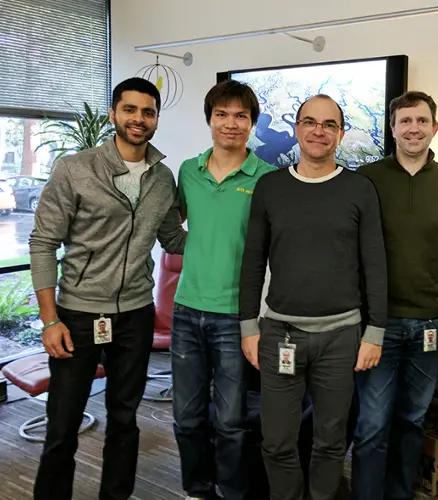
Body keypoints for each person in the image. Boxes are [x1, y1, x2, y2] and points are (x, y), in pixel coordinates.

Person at [28, 77, 187, 500]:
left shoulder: (162, 178)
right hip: (78, 315)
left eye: (148, 112)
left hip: (136, 314)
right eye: (130, 109)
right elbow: (43, 243)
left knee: (124, 420)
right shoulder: (75, 169)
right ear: (113, 113)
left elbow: (173, 239)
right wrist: (50, 320)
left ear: (156, 119)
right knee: (62, 424)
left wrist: (229, 234)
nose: (139, 119)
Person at [238, 94, 388, 500]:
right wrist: (248, 326)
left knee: (330, 443)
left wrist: (375, 332)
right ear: (297, 128)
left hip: (342, 337)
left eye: (328, 124)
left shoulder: (359, 189)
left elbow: (375, 264)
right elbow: (253, 260)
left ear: (340, 133)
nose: (318, 131)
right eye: (309, 122)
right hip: (279, 334)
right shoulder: (271, 187)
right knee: (276, 442)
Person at [351, 90, 438, 500]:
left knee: (412, 421)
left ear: (434, 127)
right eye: (405, 121)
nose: (414, 128)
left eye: (421, 121)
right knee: (372, 424)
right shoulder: (367, 178)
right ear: (393, 128)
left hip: (430, 325)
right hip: (376, 326)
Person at [171, 80, 276, 500]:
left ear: (252, 123)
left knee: (231, 420)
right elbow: (171, 226)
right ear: (209, 119)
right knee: (187, 416)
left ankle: (232, 491)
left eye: (240, 116)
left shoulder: (266, 178)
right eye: (222, 115)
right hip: (185, 310)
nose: (231, 123)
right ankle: (197, 489)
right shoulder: (188, 171)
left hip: (237, 314)